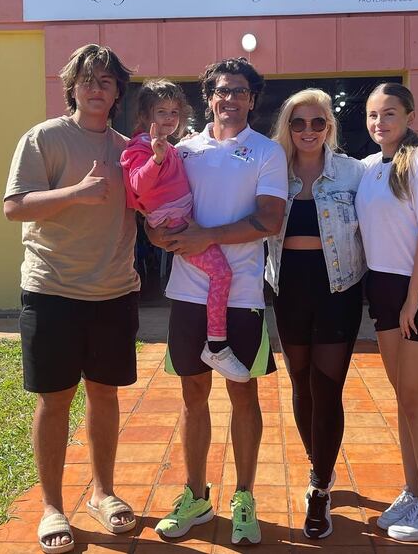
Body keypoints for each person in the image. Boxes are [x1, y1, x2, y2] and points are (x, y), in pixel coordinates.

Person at [3, 44, 140, 554]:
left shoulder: (130, 148)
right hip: (52, 290)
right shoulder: (44, 138)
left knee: (105, 395)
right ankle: (52, 506)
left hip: (113, 292)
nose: (96, 87)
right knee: (55, 399)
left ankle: (103, 493)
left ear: (117, 91)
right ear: (72, 86)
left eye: (106, 80)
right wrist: (76, 193)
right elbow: (15, 207)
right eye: (87, 79)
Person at [147, 58, 287, 545]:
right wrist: (157, 230)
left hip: (243, 295)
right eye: (221, 90)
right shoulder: (183, 152)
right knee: (192, 395)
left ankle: (244, 496)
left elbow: (269, 220)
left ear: (253, 99)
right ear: (208, 97)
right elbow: (158, 208)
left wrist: (205, 237)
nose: (230, 99)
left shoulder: (268, 152)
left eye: (240, 91)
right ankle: (196, 495)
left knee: (243, 393)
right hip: (188, 293)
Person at [355, 82, 418, 542]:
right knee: (402, 397)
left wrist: (414, 296)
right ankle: (415, 492)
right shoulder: (368, 167)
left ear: (410, 116)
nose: (380, 123)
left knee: (417, 399)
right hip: (382, 286)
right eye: (374, 115)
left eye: (390, 114)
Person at [265, 89, 367, 539]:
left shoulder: (353, 171)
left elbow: (383, 218)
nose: (308, 131)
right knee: (301, 383)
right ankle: (317, 462)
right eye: (298, 123)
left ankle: (320, 488)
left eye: (318, 122)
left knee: (327, 387)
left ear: (330, 127)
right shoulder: (272, 170)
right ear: (287, 127)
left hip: (338, 288)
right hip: (289, 289)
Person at [120, 79, 249, 382]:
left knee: (220, 274)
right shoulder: (140, 148)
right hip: (174, 224)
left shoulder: (170, 146)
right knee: (222, 274)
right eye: (161, 111)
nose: (168, 118)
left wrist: (171, 150)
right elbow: (138, 183)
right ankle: (216, 344)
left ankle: (215, 341)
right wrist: (156, 158)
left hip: (180, 219)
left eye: (174, 113)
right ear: (144, 115)